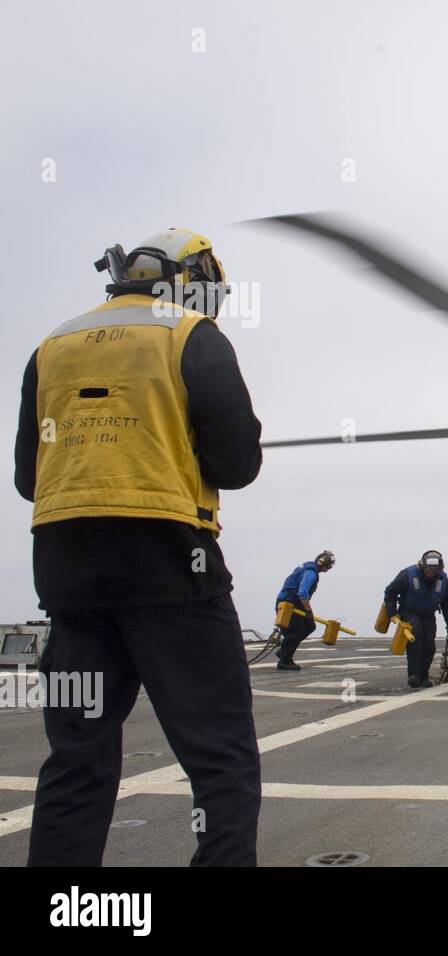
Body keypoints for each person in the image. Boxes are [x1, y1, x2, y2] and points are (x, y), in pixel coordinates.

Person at [14, 228, 263, 866]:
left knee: (76, 761)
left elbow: (26, 476)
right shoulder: (192, 337)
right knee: (220, 761)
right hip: (171, 564)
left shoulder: (52, 346)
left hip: (68, 575)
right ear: (190, 281)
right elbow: (235, 464)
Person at [384, 550, 448, 688]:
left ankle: (424, 676)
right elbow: (390, 592)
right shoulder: (408, 574)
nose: (431, 572)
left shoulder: (442, 579)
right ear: (423, 566)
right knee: (416, 636)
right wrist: (391, 613)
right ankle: (414, 675)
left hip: (428, 614)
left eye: (435, 570)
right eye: (429, 569)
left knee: (429, 645)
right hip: (409, 611)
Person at [273, 550, 335, 670]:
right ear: (325, 565)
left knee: (310, 626)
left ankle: (284, 651)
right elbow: (302, 592)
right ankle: (284, 661)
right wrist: (307, 610)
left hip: (295, 604)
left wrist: (307, 610)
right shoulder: (311, 572)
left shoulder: (308, 566)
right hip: (289, 605)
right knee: (296, 632)